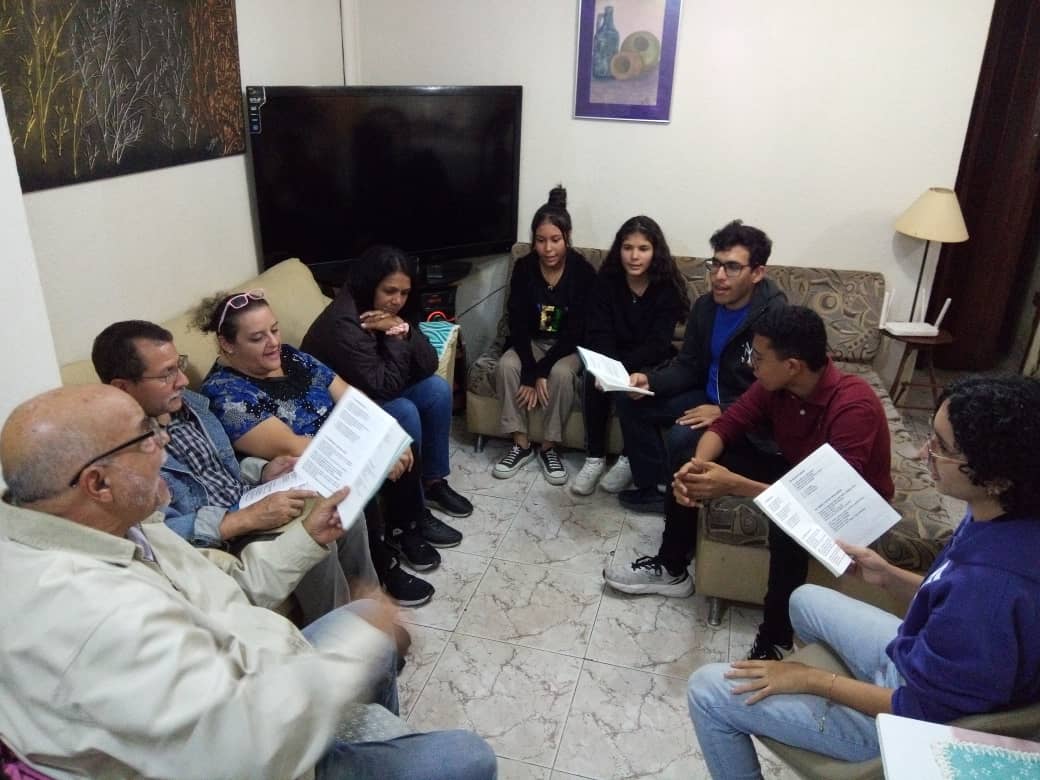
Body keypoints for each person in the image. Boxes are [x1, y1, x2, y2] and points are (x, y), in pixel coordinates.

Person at [0, 385, 497, 779]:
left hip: (261, 670)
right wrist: (351, 653)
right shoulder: (91, 614)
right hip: (264, 746)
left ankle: (365, 737)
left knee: (366, 618)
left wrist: (306, 538)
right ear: (97, 483)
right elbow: (245, 748)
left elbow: (229, 585)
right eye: (145, 437)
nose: (165, 444)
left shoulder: (119, 526)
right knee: (468, 757)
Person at [688, 374, 1040, 779]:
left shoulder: (991, 588)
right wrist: (888, 575)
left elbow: (921, 710)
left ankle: (839, 722)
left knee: (707, 690)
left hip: (913, 723)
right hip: (921, 661)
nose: (922, 453)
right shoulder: (1001, 514)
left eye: (941, 448)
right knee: (804, 599)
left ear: (996, 477)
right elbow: (949, 596)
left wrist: (814, 681)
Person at [92, 320, 390, 619]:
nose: (182, 380)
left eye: (179, 365)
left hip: (250, 499)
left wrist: (262, 471)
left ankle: (372, 610)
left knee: (341, 506)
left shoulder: (189, 406)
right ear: (122, 387)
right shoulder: (122, 455)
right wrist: (240, 520)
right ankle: (340, 629)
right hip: (220, 536)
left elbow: (220, 465)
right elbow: (154, 536)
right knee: (311, 538)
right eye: (166, 374)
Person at [193, 290, 459, 603]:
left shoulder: (290, 356)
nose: (273, 342)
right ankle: (382, 567)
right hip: (309, 465)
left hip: (340, 441)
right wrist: (371, 451)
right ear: (227, 344)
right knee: (353, 475)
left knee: (398, 423)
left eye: (274, 330)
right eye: (257, 338)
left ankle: (407, 527)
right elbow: (297, 447)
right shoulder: (226, 395)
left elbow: (349, 397)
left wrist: (384, 437)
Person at [603, 220, 785, 593]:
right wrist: (649, 381)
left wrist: (727, 411)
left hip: (746, 414)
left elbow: (778, 389)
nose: (719, 276)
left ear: (757, 273)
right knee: (632, 400)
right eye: (715, 264)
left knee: (683, 439)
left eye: (731, 267)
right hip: (706, 393)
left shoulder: (775, 318)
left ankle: (673, 564)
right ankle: (657, 489)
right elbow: (688, 365)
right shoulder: (706, 307)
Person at [302, 244, 473, 518]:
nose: (397, 300)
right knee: (404, 409)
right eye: (390, 291)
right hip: (339, 409)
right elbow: (385, 387)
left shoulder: (387, 312)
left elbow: (428, 364)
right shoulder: (345, 322)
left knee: (437, 389)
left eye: (404, 293)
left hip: (370, 390)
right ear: (370, 285)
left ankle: (433, 482)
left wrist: (403, 330)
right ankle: (412, 509)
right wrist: (396, 335)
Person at [572, 215, 688, 496]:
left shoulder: (667, 287)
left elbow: (658, 343)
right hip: (611, 352)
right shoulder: (606, 281)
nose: (634, 256)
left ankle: (628, 457)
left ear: (655, 251)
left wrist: (621, 371)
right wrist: (607, 369)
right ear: (619, 249)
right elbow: (598, 332)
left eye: (643, 248)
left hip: (650, 356)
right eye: (628, 248)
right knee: (591, 377)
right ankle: (594, 458)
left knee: (638, 383)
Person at [492, 185, 596, 485]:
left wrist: (541, 370)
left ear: (567, 237)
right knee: (506, 366)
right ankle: (521, 443)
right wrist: (529, 368)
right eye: (540, 241)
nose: (548, 249)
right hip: (531, 341)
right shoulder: (524, 267)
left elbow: (576, 331)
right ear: (533, 241)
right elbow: (517, 323)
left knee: (561, 375)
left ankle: (549, 447)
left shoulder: (582, 271)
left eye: (555, 240)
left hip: (567, 347)